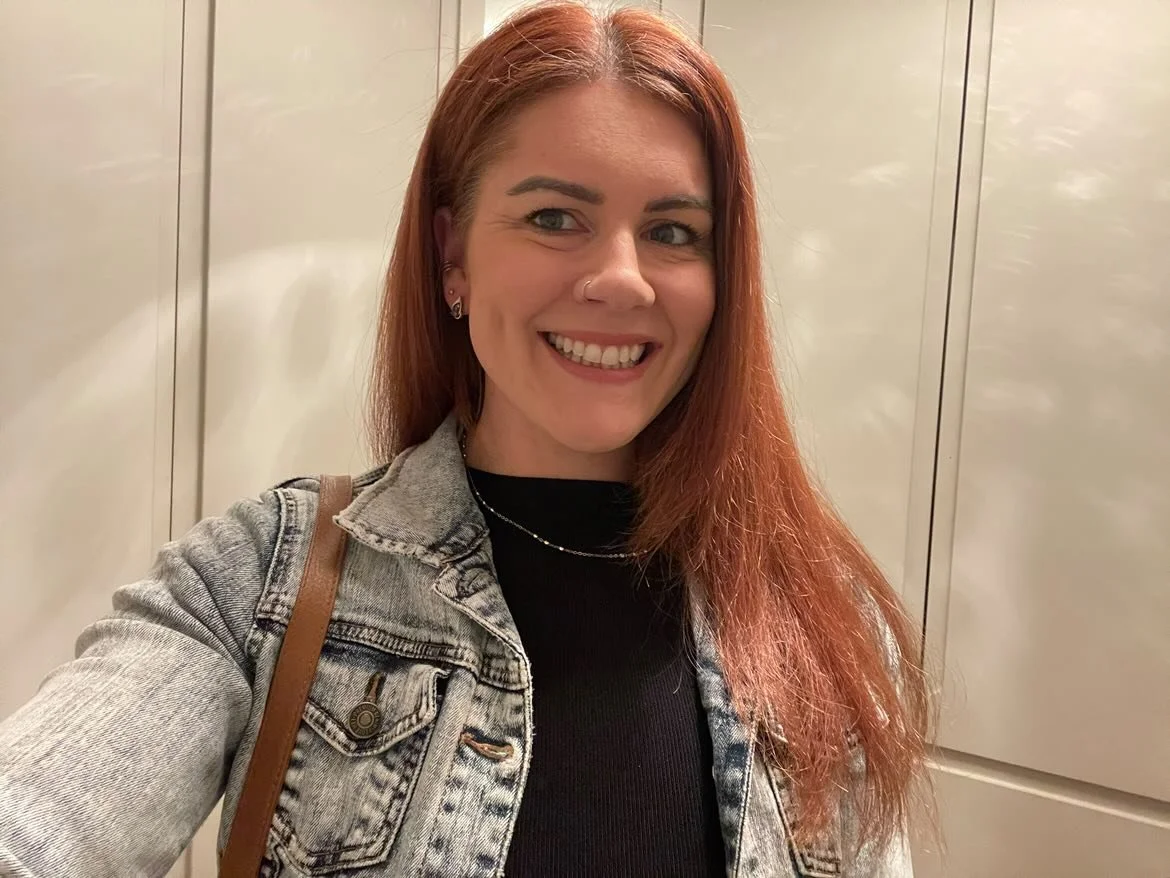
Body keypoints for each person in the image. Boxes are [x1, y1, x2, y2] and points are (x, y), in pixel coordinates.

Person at [0, 2, 930, 876]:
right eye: (555, 218)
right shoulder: (260, 582)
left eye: (674, 231)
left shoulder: (821, 623)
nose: (622, 278)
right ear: (453, 255)